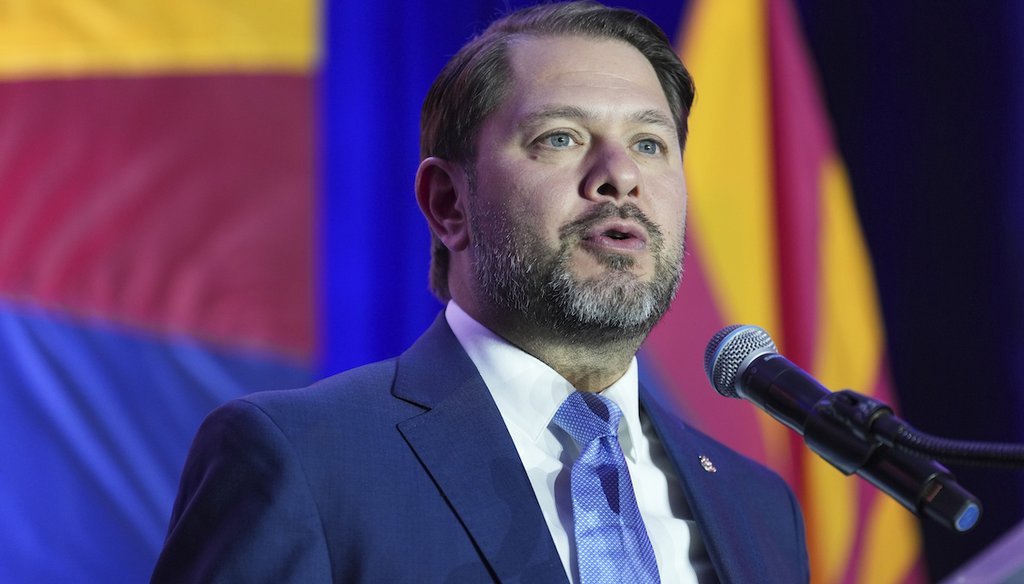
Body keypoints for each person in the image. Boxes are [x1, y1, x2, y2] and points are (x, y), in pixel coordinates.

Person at [152, 2, 809, 582]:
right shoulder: (304, 459)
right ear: (448, 204)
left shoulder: (756, 506)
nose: (620, 177)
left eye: (649, 143)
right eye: (561, 138)